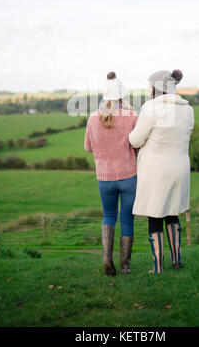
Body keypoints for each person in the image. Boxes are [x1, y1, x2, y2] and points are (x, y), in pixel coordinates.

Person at [129, 69, 194, 274]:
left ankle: (158, 267)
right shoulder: (188, 109)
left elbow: (136, 140)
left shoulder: (150, 108)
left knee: (155, 215)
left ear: (156, 88)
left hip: (156, 170)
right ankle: (177, 261)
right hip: (180, 167)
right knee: (172, 212)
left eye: (150, 86)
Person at [84, 72, 138, 276]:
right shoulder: (131, 116)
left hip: (104, 178)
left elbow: (88, 147)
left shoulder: (91, 118)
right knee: (126, 219)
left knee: (108, 216)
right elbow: (138, 143)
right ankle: (125, 265)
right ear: (122, 95)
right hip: (128, 176)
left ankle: (107, 258)